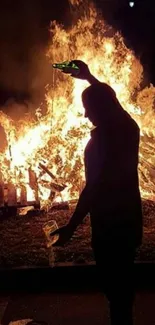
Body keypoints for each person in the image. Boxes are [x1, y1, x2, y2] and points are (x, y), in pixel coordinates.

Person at [51, 61, 143, 325]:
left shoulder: (100, 143)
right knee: (124, 287)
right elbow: (113, 102)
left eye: (88, 109)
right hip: (129, 221)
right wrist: (90, 78)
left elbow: (91, 191)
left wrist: (70, 227)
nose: (85, 115)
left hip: (108, 226)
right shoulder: (129, 130)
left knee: (115, 291)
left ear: (99, 109)